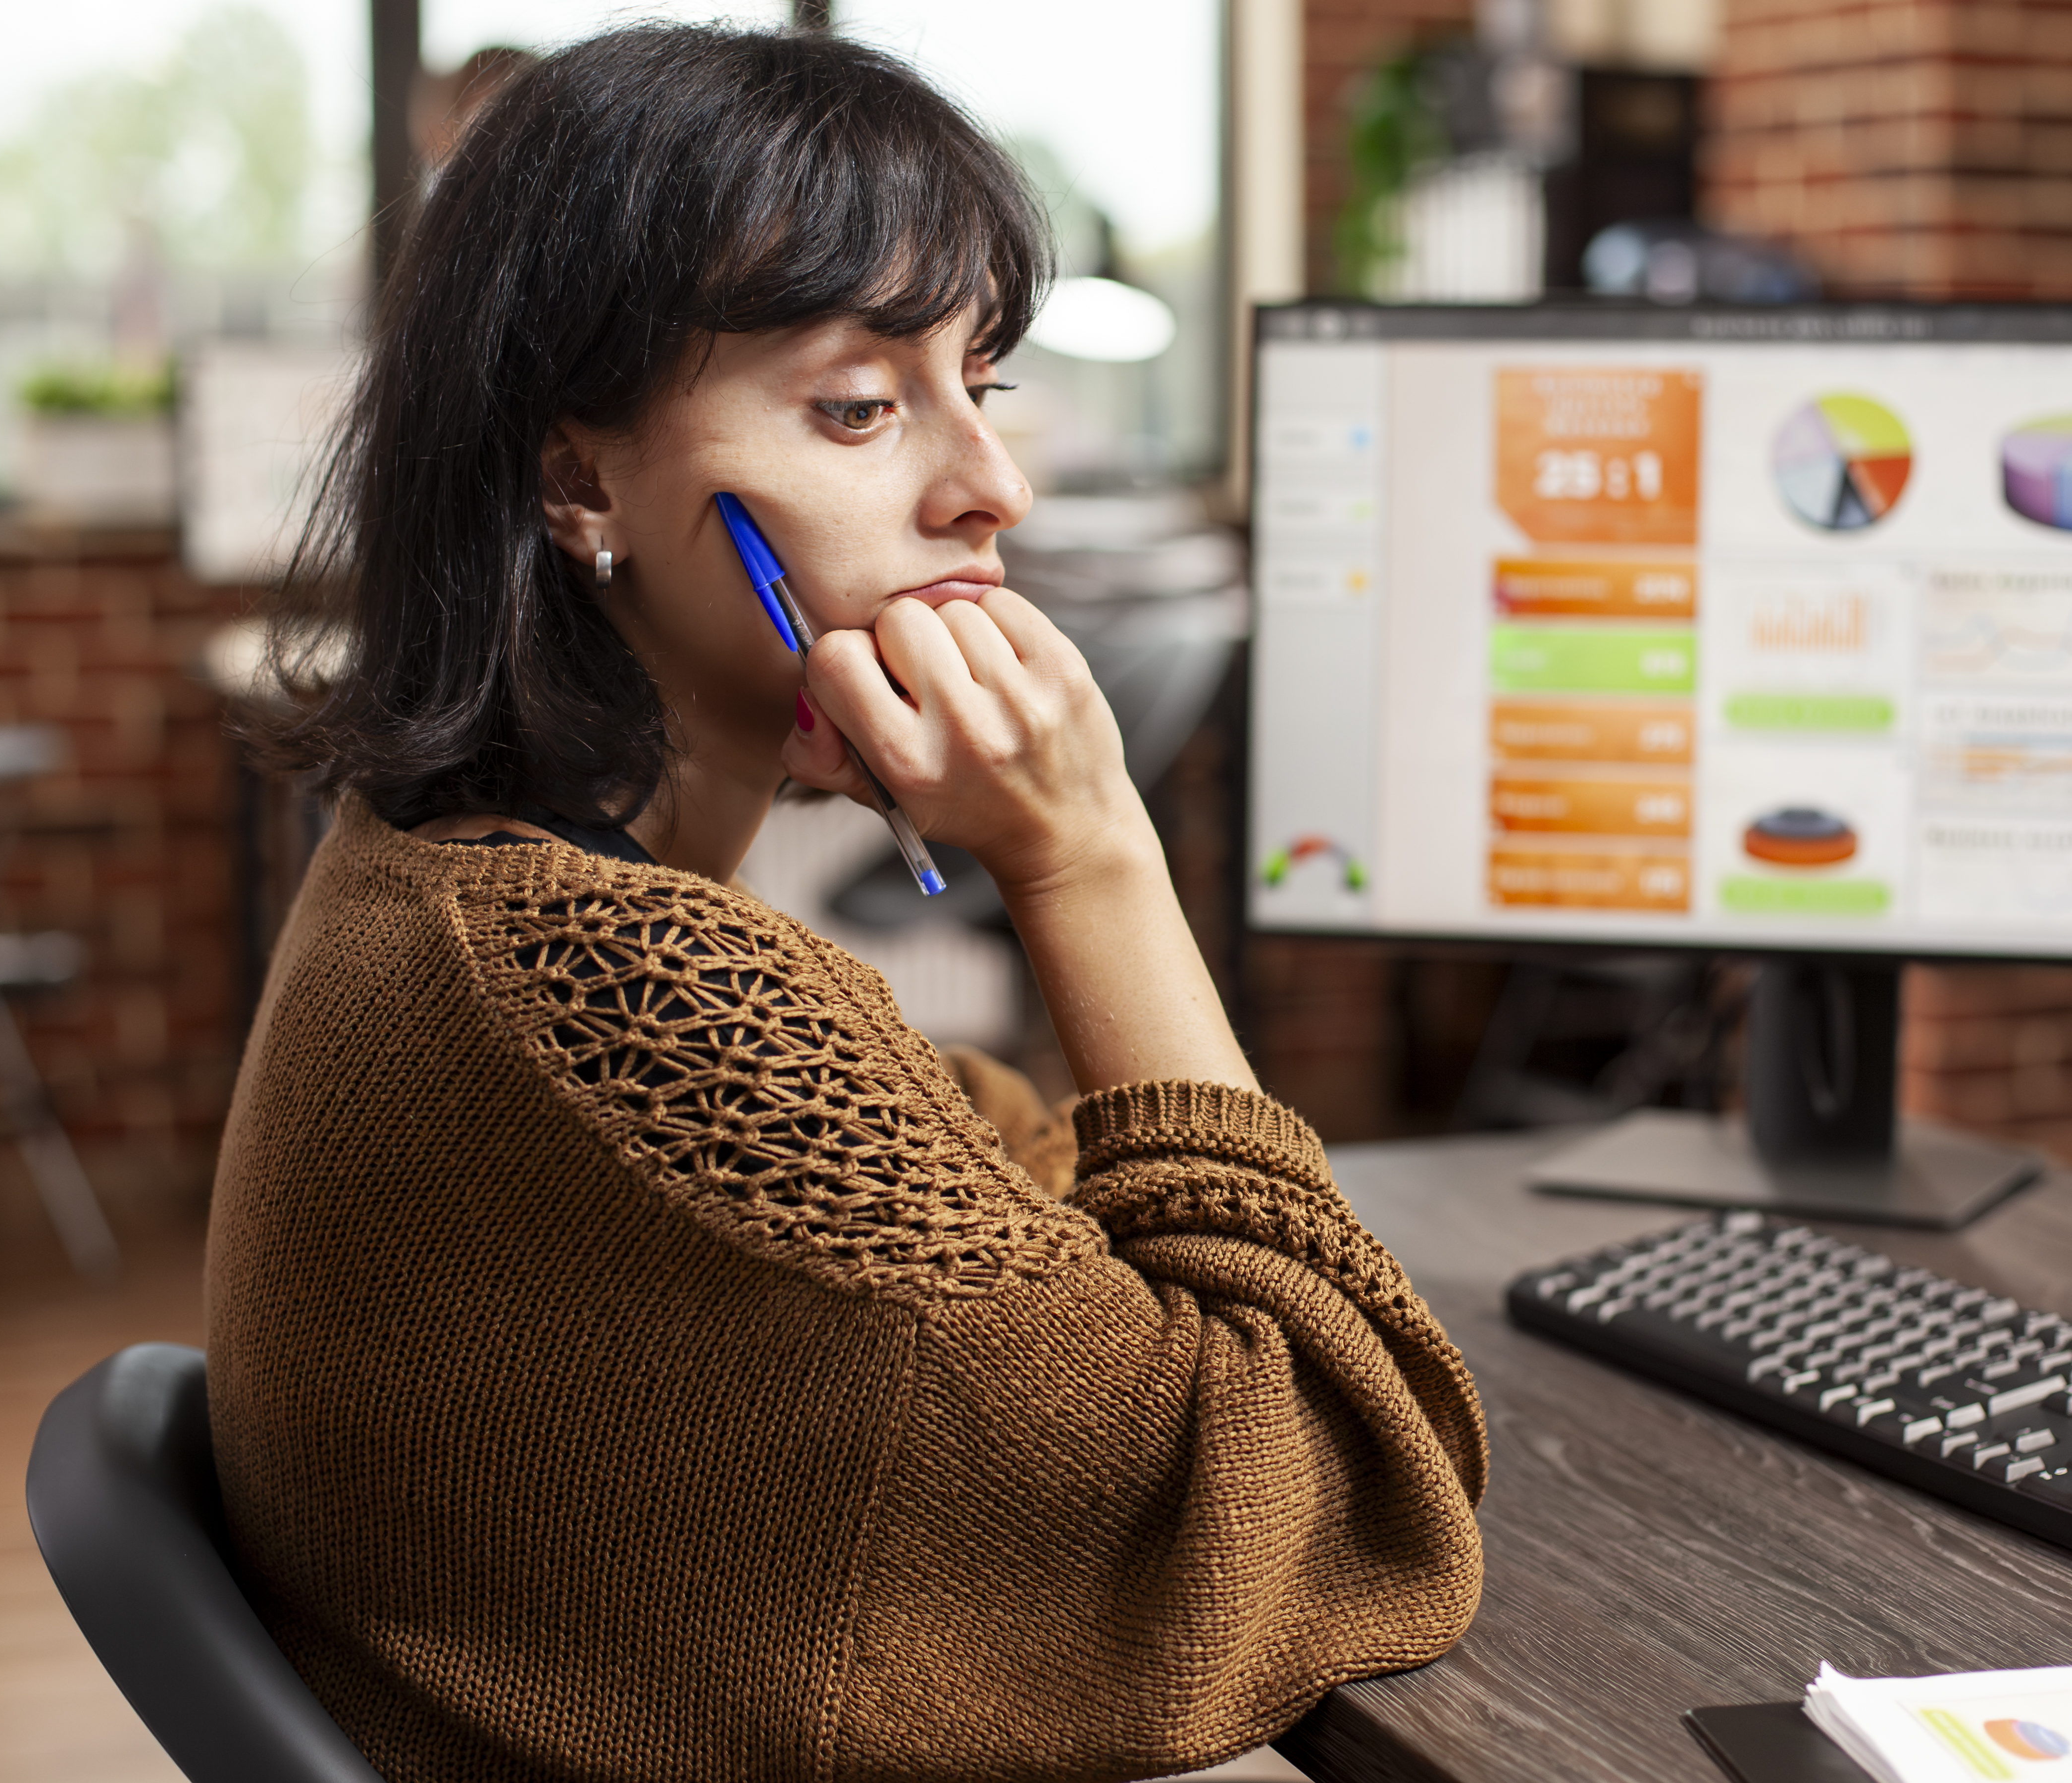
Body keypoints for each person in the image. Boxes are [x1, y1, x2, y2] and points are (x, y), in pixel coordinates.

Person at [207, 25, 1486, 1783]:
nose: (991, 490)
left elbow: (981, 1154)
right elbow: (1344, 1495)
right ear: (580, 481)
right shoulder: (625, 988)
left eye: (986, 384)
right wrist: (1090, 851)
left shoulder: (455, 873)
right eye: (859, 406)